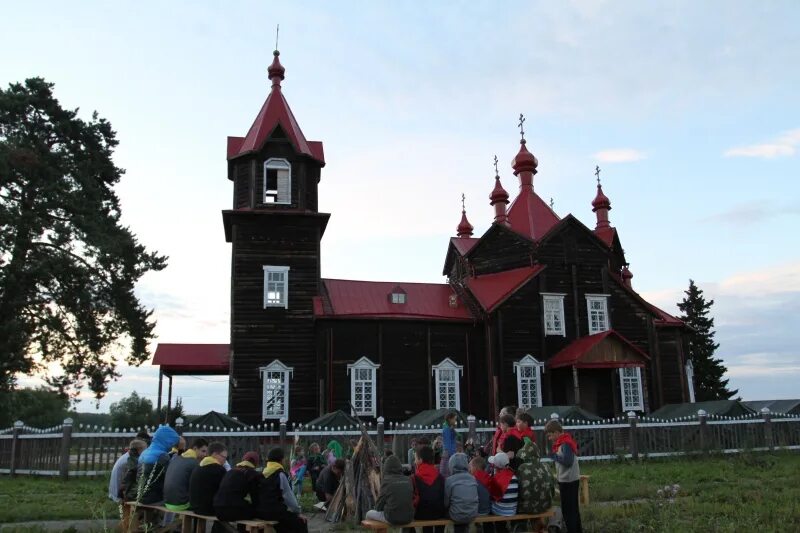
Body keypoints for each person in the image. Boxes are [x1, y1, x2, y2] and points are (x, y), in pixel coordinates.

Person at [255, 447, 308, 533]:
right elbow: (288, 496)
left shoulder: (263, 473)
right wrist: (298, 512)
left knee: (283, 523)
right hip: (274, 512)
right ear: (281, 460)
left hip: (260, 512)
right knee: (301, 522)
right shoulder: (280, 474)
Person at [546, 420, 582, 533]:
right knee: (573, 510)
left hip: (568, 481)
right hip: (569, 479)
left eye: (550, 435)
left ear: (557, 432)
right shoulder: (563, 442)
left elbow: (567, 461)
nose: (549, 438)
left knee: (568, 512)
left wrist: (553, 456)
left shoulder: (565, 443)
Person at [364, 455, 414, 526]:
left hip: (392, 518)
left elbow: (378, 507)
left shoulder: (386, 481)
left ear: (386, 468)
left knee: (368, 514)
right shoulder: (408, 480)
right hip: (409, 517)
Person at [137, 425, 181, 504]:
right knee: (174, 502)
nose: (172, 446)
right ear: (167, 441)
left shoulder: (144, 452)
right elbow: (171, 477)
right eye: (172, 443)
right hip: (155, 498)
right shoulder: (163, 456)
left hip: (140, 495)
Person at [406, 445, 446, 533]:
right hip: (439, 512)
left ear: (420, 460)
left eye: (415, 458)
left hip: (421, 513)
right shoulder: (440, 477)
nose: (414, 461)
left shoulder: (414, 477)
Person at [214, 451, 262, 522]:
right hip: (232, 510)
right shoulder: (252, 474)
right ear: (256, 463)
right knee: (255, 511)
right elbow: (255, 498)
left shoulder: (230, 472)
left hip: (217, 509)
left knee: (242, 505)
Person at [516, 431, 554, 517]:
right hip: (546, 505)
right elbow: (552, 488)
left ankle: (520, 527)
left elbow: (518, 489)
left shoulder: (522, 468)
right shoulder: (546, 466)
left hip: (527, 507)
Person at [164, 437, 209, 511]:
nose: (205, 455)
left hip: (167, 502)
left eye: (206, 452)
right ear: (195, 449)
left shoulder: (177, 458)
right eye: (203, 451)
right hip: (181, 504)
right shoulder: (194, 463)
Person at [189, 441, 228, 516]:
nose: (225, 460)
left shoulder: (199, 466)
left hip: (195, 507)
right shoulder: (219, 469)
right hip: (208, 510)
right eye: (224, 457)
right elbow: (226, 491)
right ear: (215, 454)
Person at [444, 453, 479, 533]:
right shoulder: (473, 478)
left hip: (456, 515)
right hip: (472, 513)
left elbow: (446, 502)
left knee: (455, 512)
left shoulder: (449, 480)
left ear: (451, 465)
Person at [486, 452, 518, 533]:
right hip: (513, 509)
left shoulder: (495, 479)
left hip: (501, 511)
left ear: (496, 467)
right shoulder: (514, 476)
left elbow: (492, 496)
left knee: (487, 508)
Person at [440, 412, 458, 478]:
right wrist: (453, 455)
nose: (455, 421)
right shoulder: (447, 429)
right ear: (450, 419)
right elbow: (448, 444)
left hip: (450, 453)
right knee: (447, 474)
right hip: (449, 454)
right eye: (454, 419)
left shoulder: (449, 429)